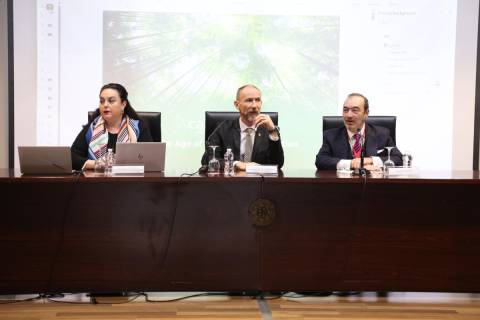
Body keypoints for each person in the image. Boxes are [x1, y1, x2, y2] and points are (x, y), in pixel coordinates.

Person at [71, 83, 153, 170]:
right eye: (102, 101)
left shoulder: (138, 128)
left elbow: (151, 158)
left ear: (123, 104)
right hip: (96, 181)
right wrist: (96, 164)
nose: (105, 105)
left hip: (130, 181)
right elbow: (72, 157)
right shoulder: (92, 128)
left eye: (111, 101)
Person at [201, 84, 284, 170]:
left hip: (260, 182)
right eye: (249, 100)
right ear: (237, 105)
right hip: (231, 182)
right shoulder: (224, 129)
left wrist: (272, 131)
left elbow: (278, 164)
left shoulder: (268, 130)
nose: (254, 106)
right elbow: (207, 160)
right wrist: (235, 164)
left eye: (258, 100)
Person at [315, 93, 402, 170]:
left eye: (355, 110)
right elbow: (320, 160)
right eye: (345, 110)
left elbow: (398, 158)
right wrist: (351, 163)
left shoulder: (382, 134)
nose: (349, 115)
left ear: (366, 113)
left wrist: (370, 160)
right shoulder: (331, 135)